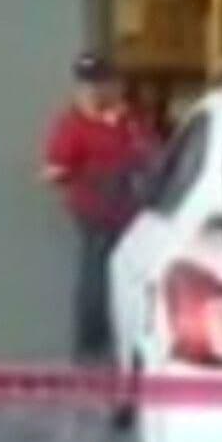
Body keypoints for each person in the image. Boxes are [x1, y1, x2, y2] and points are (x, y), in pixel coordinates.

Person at [41, 53, 157, 363]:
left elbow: (151, 153)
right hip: (95, 213)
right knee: (96, 280)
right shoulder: (72, 125)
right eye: (87, 85)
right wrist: (90, 175)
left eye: (101, 84)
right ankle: (91, 349)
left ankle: (126, 343)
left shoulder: (129, 120)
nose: (94, 91)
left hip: (132, 214)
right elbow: (53, 171)